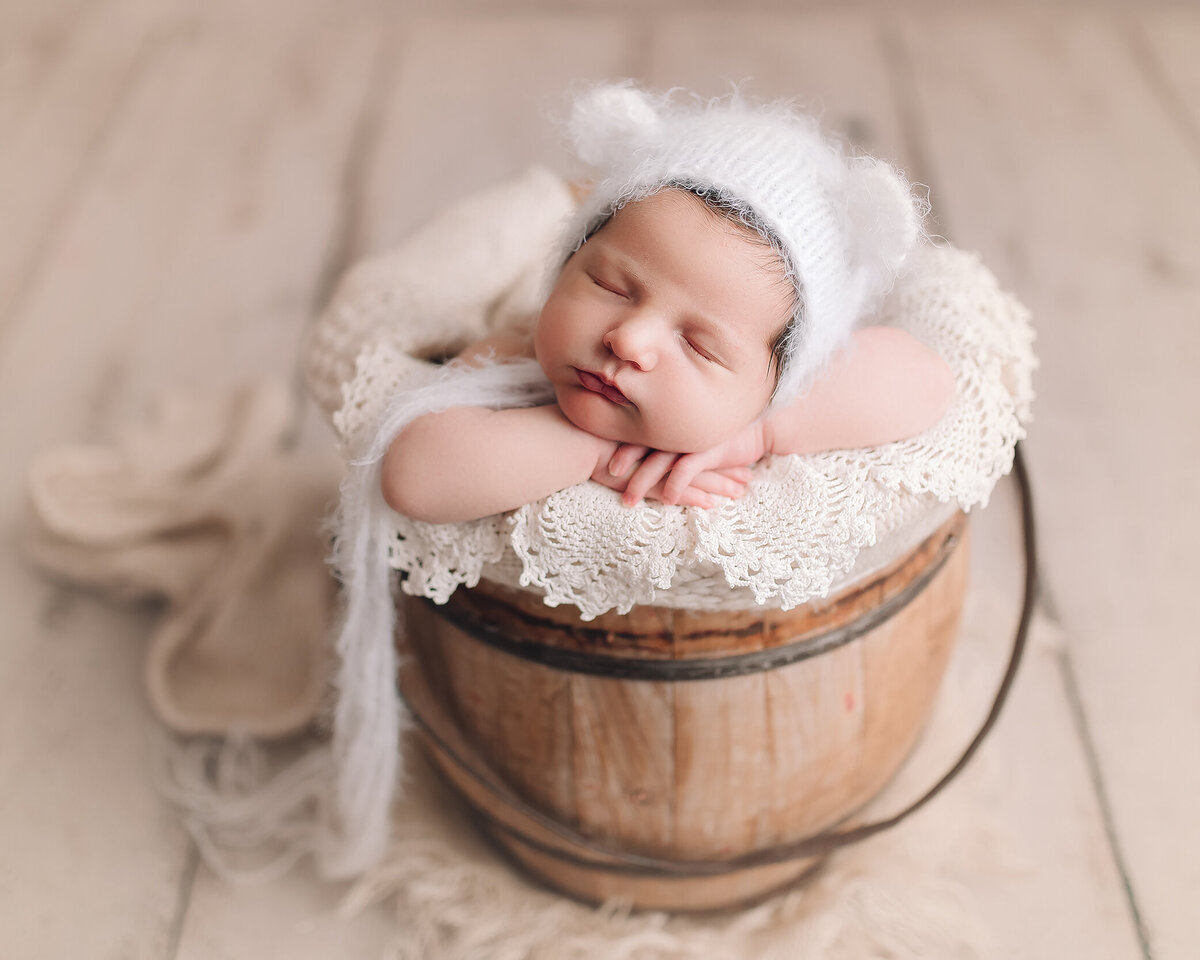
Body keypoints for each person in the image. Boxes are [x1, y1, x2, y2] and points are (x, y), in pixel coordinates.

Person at [381, 84, 955, 525]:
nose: (628, 341)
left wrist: (758, 434)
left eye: (698, 345)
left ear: (774, 387)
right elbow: (412, 476)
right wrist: (595, 451)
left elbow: (926, 378)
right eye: (609, 286)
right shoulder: (517, 355)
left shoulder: (766, 409)